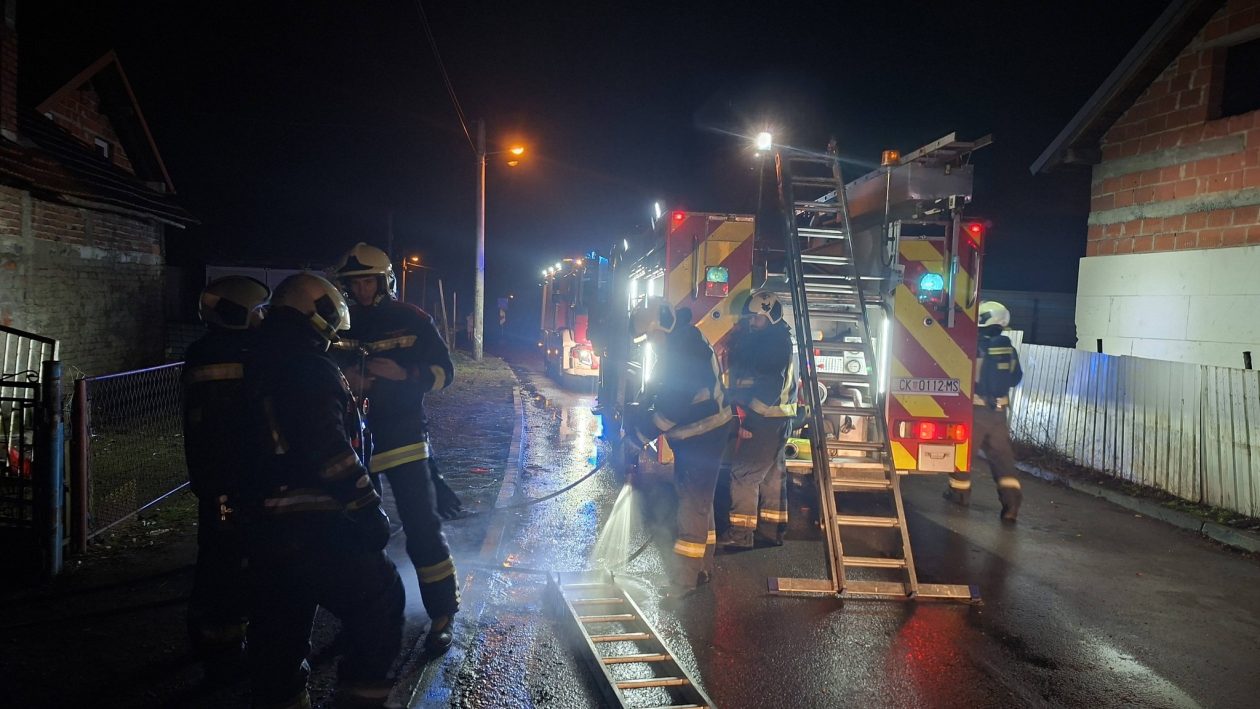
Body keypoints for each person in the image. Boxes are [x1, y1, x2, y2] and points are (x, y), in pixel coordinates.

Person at [240, 272, 404, 708]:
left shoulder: (259, 357)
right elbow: (330, 450)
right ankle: (360, 699)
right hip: (312, 523)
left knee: (280, 630)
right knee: (381, 597)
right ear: (315, 312)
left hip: (262, 526)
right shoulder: (308, 367)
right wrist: (368, 508)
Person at [332, 243, 461, 654]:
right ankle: (362, 617)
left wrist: (406, 372)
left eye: (368, 281)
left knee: (423, 530)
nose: (362, 290)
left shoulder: (412, 320)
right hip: (352, 443)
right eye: (355, 283)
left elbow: (445, 373)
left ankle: (442, 615)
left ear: (384, 281)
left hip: (404, 439)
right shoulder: (337, 323)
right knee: (355, 536)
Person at [181, 275, 269, 679]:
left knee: (221, 553)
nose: (261, 318)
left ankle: (220, 637)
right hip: (231, 474)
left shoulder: (201, 352)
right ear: (238, 315)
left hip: (215, 474)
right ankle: (221, 647)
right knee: (226, 558)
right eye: (256, 311)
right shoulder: (243, 355)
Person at [625, 297, 734, 598]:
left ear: (663, 326)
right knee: (700, 503)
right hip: (704, 433)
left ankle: (685, 580)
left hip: (704, 434)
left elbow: (672, 408)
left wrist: (640, 436)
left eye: (651, 336)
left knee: (691, 503)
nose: (650, 343)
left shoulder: (683, 351)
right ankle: (702, 567)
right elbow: (660, 390)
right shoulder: (681, 343)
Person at [719, 290, 797, 549]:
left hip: (764, 420)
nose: (752, 322)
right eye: (751, 318)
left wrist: (748, 421)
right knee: (772, 475)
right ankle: (772, 530)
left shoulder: (772, 345)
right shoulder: (779, 340)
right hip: (778, 419)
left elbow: (769, 387)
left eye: (757, 318)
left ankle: (740, 534)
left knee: (745, 473)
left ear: (771, 318)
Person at [944, 300, 1024, 523]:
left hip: (976, 411)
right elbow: (1016, 378)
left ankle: (959, 495)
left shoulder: (974, 347)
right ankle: (1011, 506)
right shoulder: (1009, 349)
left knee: (963, 454)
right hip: (999, 414)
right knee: (1003, 460)